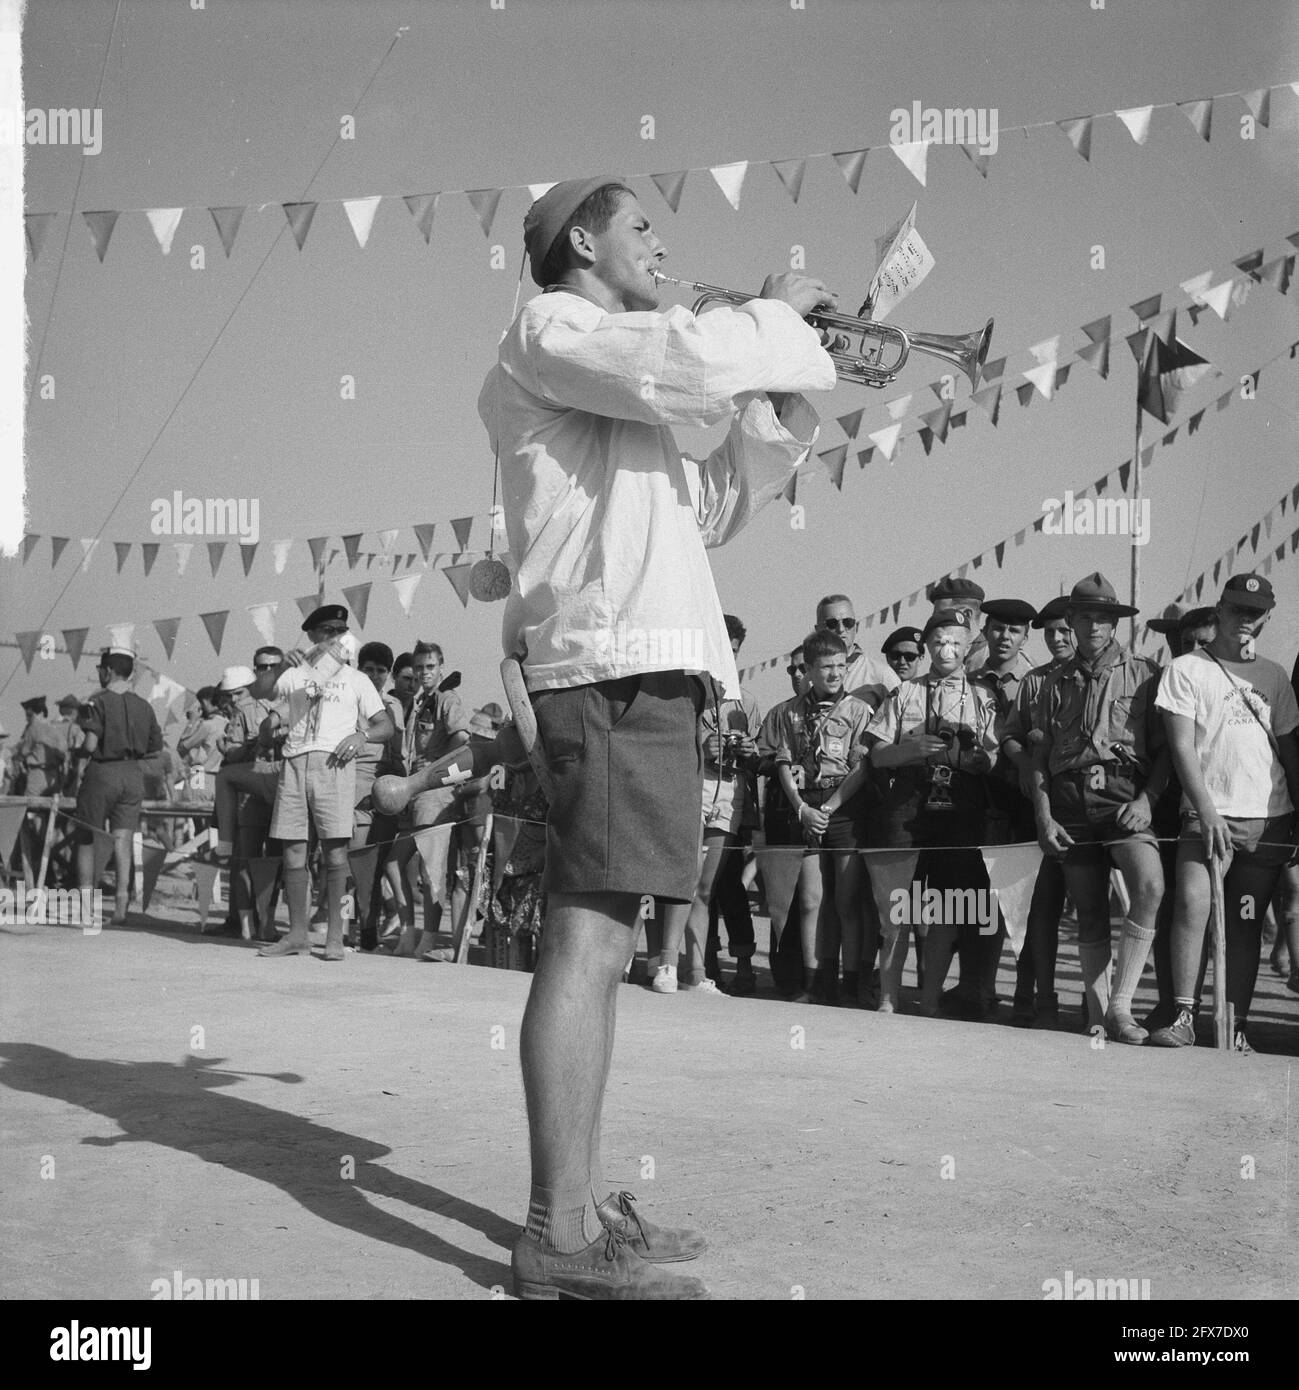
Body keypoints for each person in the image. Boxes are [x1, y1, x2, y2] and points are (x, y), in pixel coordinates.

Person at [481, 175, 836, 1298]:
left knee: (610, 939)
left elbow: (723, 498)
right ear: (580, 240)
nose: (664, 242)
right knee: (586, 940)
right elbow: (685, 361)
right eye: (642, 225)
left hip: (652, 665)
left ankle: (574, 1216)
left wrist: (777, 381)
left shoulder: (630, 370)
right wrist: (773, 313)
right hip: (610, 664)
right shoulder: (554, 326)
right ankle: (555, 1235)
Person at [1149, 575, 1299, 1052]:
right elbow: (1182, 748)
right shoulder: (1187, 669)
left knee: (1245, 919)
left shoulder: (1274, 676)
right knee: (1193, 907)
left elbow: (1290, 749)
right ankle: (1184, 1015)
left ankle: (1234, 1026)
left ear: (1267, 617)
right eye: (1236, 610)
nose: (1245, 621)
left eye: (1255, 613)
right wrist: (1206, 810)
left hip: (1267, 822)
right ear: (1219, 609)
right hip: (1207, 817)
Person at [1029, 573, 1168, 1043]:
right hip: (1068, 801)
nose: (1094, 626)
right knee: (1088, 910)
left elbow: (1169, 749)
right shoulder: (1053, 683)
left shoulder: (1146, 673)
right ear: (1071, 620)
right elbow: (1039, 758)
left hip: (1122, 796)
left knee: (1149, 885)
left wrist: (1147, 800)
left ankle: (1121, 1008)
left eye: (1104, 618)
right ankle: (1096, 1012)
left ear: (1115, 624)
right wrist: (1043, 816)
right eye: (1085, 616)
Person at [865, 611, 999, 1015]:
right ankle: (889, 996)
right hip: (908, 802)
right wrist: (911, 750)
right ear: (928, 646)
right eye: (939, 642)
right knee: (898, 909)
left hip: (959, 806)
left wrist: (979, 760)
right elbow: (877, 755)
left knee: (947, 908)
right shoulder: (904, 693)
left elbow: (994, 757)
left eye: (956, 642)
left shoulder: (983, 697)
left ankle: (930, 999)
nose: (947, 650)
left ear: (969, 646)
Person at [248, 606, 393, 962]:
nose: (334, 638)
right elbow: (260, 691)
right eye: (326, 631)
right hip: (295, 762)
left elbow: (384, 725)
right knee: (294, 851)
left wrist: (361, 736)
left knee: (335, 852)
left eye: (340, 631)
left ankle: (333, 936)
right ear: (311, 635)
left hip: (335, 765)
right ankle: (297, 934)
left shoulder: (356, 679)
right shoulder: (295, 675)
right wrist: (281, 667)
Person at [656, 614, 763, 997]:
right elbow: (664, 746)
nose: (727, 660)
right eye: (721, 652)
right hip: (693, 790)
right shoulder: (683, 695)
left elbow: (760, 759)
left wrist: (749, 751)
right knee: (682, 880)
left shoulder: (745, 702)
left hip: (729, 795)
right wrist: (700, 746)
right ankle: (667, 962)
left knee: (706, 888)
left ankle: (697, 973)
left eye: (733, 653)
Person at [769, 629, 876, 1006]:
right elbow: (783, 763)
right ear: (809, 670)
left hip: (843, 804)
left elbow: (862, 768)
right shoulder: (788, 712)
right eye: (826, 667)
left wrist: (829, 808)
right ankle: (815, 982)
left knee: (846, 901)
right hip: (807, 804)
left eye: (841, 666)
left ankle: (852, 983)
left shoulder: (859, 711)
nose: (834, 674)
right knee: (813, 900)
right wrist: (802, 808)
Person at [1000, 596, 1074, 1026]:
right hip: (1043, 806)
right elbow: (1010, 735)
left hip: (1093, 808)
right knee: (1039, 907)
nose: (1058, 638)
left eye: (1065, 630)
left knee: (1092, 910)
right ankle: (1038, 995)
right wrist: (1025, 762)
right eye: (1050, 632)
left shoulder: (1106, 677)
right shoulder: (1035, 681)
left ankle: (1096, 1001)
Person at [387, 641, 471, 958]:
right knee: (394, 863)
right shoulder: (423, 701)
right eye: (420, 667)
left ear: (441, 667)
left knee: (430, 871)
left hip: (434, 792)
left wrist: (436, 773)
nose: (424, 672)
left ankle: (429, 938)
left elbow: (462, 739)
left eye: (430, 667)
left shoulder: (446, 699)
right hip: (414, 791)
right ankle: (410, 931)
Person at [71, 648, 163, 925]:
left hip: (102, 772)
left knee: (86, 838)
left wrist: (74, 753)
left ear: (108, 671)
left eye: (100, 669)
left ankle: (87, 907)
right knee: (123, 841)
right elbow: (154, 749)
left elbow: (89, 744)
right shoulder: (145, 706)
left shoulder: (95, 703)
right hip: (132, 775)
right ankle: (121, 907)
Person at [351, 641, 405, 952]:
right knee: (343, 869)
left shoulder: (391, 707)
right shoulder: (351, 699)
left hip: (378, 791)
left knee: (367, 870)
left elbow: (397, 755)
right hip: (346, 785)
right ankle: (347, 930)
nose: (373, 675)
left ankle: (367, 932)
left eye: (380, 671)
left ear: (388, 675)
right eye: (368, 669)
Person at [798, 595, 899, 698]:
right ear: (818, 629)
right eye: (832, 623)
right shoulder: (808, 681)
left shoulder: (881, 675)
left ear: (855, 626)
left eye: (848, 622)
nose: (841, 629)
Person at [177, 687, 227, 800]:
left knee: (196, 810)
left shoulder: (207, 725)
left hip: (199, 774)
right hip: (218, 778)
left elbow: (181, 748)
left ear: (204, 702)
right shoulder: (226, 722)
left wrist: (191, 722)